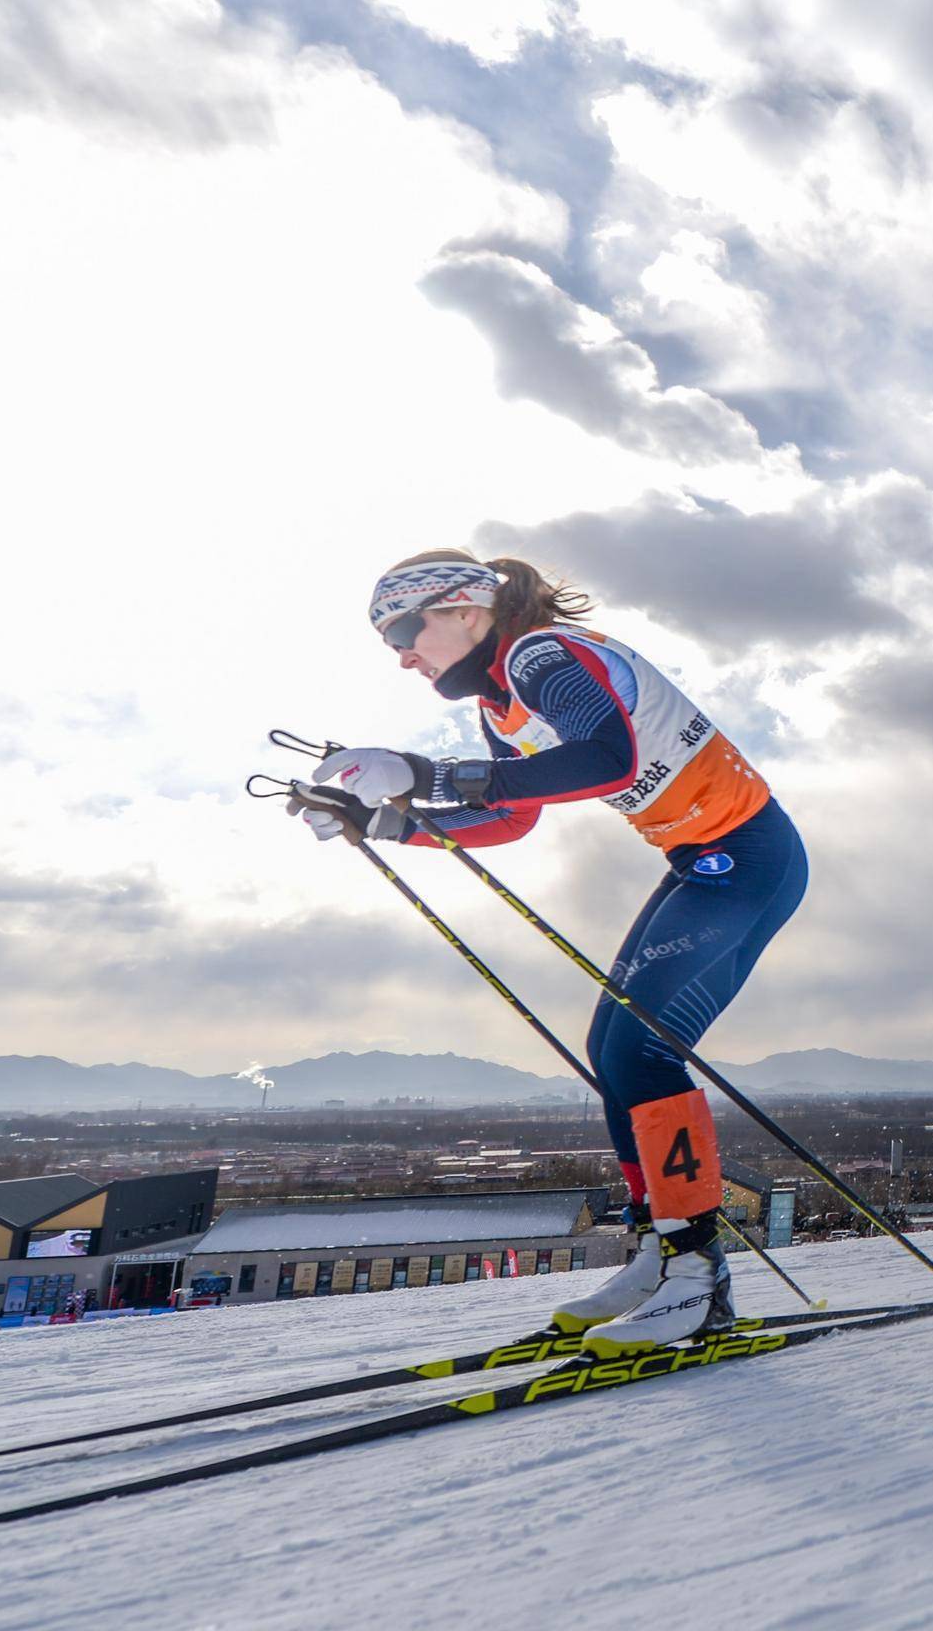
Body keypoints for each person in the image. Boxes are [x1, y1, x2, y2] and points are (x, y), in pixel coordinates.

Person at [288, 551, 805, 1355]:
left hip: (747, 859)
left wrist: (424, 771)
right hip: (708, 863)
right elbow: (514, 817)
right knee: (612, 1051)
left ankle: (699, 1278)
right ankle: (663, 1251)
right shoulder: (504, 707)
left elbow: (609, 759)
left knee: (639, 1050)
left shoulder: (539, 655)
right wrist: (390, 824)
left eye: (403, 627)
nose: (400, 654)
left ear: (464, 609)